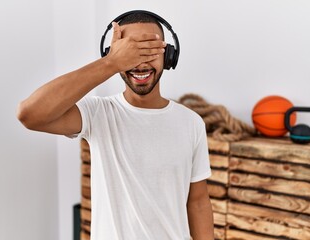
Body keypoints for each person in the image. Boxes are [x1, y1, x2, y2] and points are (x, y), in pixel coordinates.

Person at [17, 10, 214, 240]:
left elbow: (198, 201)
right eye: (131, 52)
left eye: (150, 49)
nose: (140, 63)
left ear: (168, 55)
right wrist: (110, 63)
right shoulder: (98, 114)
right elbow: (29, 114)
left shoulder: (191, 123)